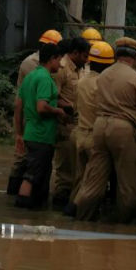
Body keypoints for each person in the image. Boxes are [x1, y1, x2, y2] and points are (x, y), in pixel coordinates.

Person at [72, 37, 136, 223]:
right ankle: (121, 228)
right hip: (123, 129)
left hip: (100, 126)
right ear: (134, 58)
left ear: (116, 55)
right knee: (127, 184)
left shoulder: (102, 76)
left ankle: (82, 220)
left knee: (95, 179)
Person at [7, 29, 62, 195]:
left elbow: (19, 102)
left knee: (34, 168)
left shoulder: (34, 72)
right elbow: (39, 105)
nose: (61, 62)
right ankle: (21, 202)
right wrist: (59, 111)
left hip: (31, 125)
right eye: (59, 58)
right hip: (37, 128)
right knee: (29, 171)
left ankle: (22, 204)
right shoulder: (39, 73)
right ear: (52, 55)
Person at [63, 41, 115, 216]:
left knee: (79, 178)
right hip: (94, 138)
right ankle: (74, 210)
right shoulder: (104, 84)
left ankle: (70, 207)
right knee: (92, 181)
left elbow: (75, 108)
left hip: (79, 135)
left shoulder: (81, 82)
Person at [51, 37, 91, 208]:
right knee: (64, 170)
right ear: (74, 53)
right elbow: (52, 97)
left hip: (79, 125)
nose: (87, 59)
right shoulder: (62, 69)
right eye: (84, 56)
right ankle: (58, 207)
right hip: (65, 125)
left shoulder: (83, 69)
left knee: (77, 169)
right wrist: (67, 107)